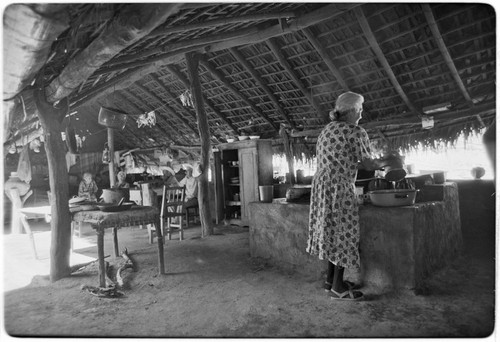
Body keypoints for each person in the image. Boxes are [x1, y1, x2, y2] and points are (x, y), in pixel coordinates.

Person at [306, 91, 386, 301]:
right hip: (339, 187)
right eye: (359, 109)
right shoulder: (355, 131)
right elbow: (368, 164)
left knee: (331, 232)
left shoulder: (327, 130)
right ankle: (338, 288)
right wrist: (388, 161)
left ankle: (330, 281)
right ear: (351, 111)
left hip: (322, 187)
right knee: (342, 233)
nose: (361, 113)